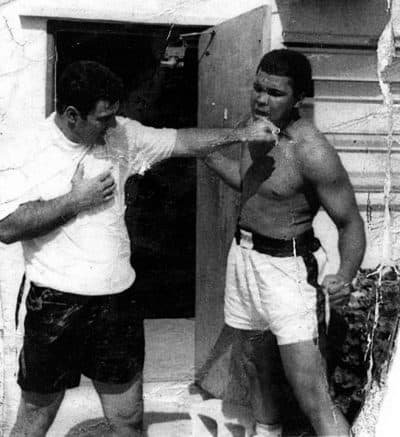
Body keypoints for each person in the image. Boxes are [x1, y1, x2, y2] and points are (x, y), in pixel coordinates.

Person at [0, 60, 276, 437]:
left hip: (116, 303)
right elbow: (7, 227)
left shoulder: (122, 136)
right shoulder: (25, 148)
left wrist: (238, 134)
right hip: (55, 304)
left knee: (128, 419)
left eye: (115, 115)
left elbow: (181, 140)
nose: (112, 125)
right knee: (34, 420)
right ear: (71, 115)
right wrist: (74, 201)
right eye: (103, 118)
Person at [203, 49, 366, 437]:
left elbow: (350, 223)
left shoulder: (311, 151)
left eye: (274, 93)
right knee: (255, 368)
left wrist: (344, 274)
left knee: (312, 394)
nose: (261, 99)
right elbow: (254, 187)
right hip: (244, 259)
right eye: (258, 88)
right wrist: (207, 155)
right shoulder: (253, 127)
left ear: (299, 98)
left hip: (288, 270)